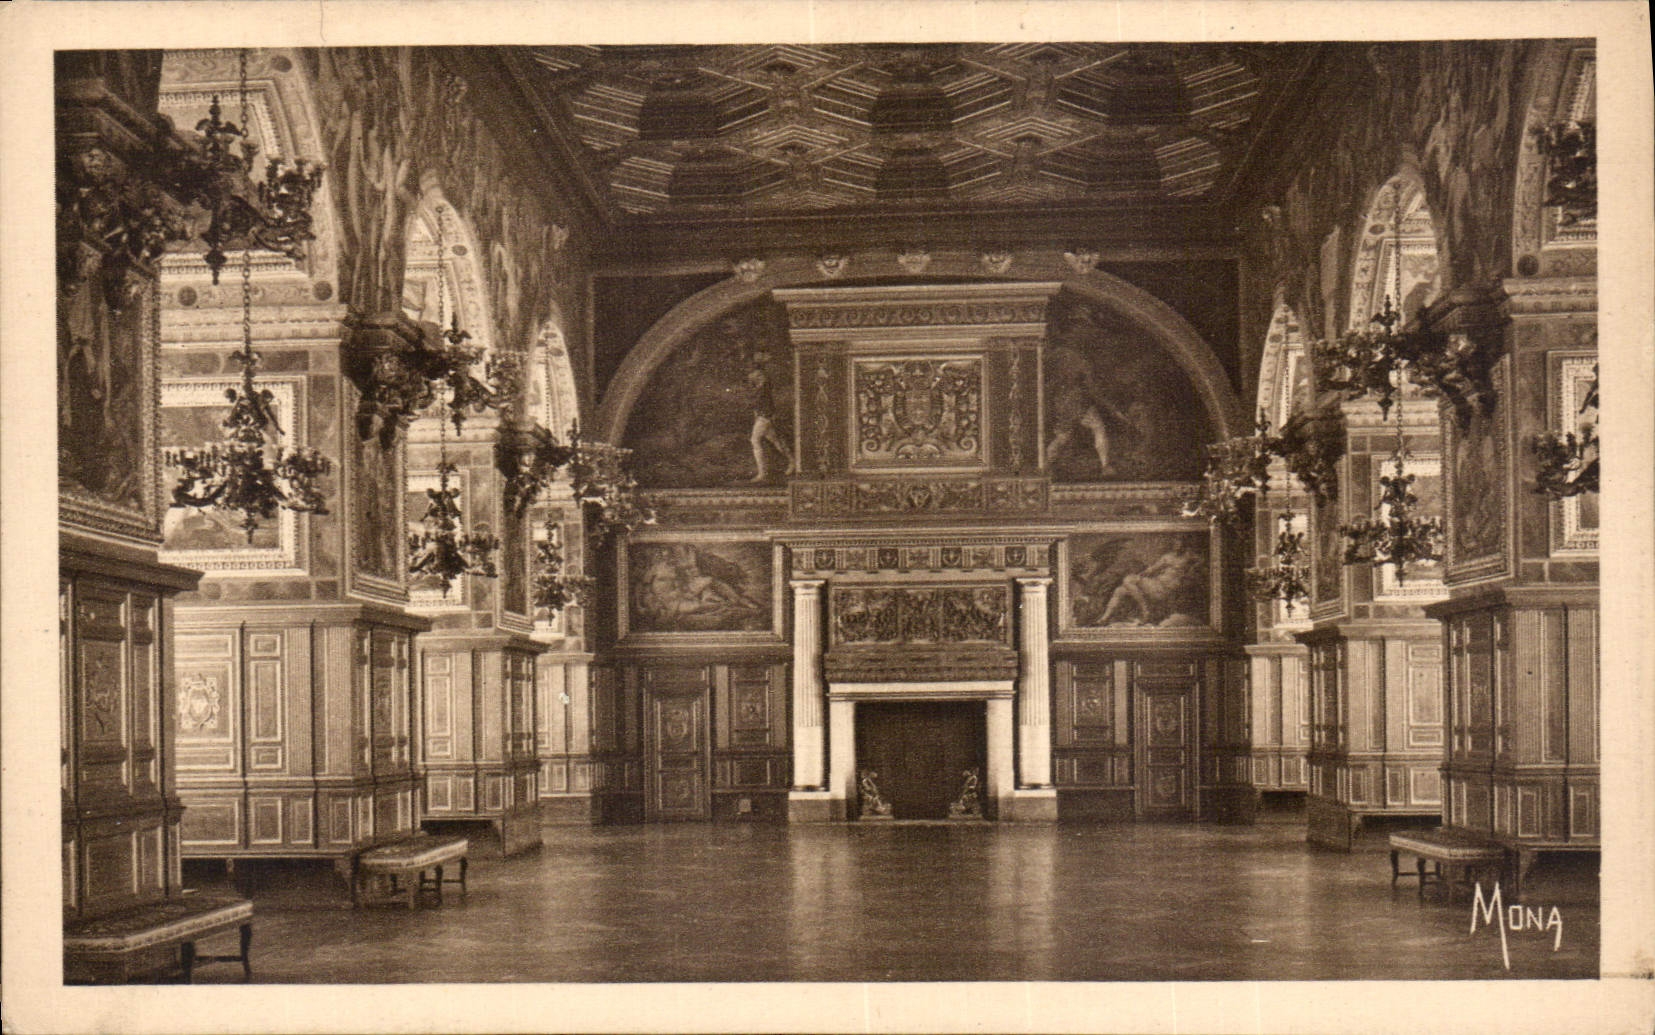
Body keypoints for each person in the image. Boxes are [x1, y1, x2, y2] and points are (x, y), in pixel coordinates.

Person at [1099, 540, 1203, 625]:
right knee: (1120, 590)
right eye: (1175, 544)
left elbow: (1201, 560)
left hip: (1165, 589)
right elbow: (1152, 569)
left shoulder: (1188, 556)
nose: (1177, 546)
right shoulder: (1167, 557)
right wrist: (1140, 575)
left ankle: (1145, 610)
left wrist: (1190, 570)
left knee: (1128, 580)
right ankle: (1104, 618)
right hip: (1156, 584)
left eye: (1180, 544)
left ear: (1184, 546)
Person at [746, 353, 797, 482]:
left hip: (765, 416)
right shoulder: (758, 387)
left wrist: (766, 414)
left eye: (757, 376)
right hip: (762, 416)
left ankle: (762, 473)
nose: (754, 378)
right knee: (775, 440)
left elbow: (763, 402)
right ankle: (793, 461)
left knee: (755, 440)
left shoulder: (763, 387)